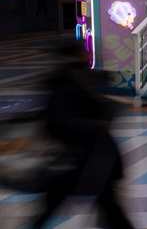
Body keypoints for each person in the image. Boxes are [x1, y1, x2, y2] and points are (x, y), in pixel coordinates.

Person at [30, 40, 135, 229]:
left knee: (108, 204)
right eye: (81, 53)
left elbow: (104, 108)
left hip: (97, 155)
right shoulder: (63, 86)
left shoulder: (91, 79)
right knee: (55, 201)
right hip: (74, 156)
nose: (86, 56)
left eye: (85, 52)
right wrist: (95, 126)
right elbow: (56, 121)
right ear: (69, 57)